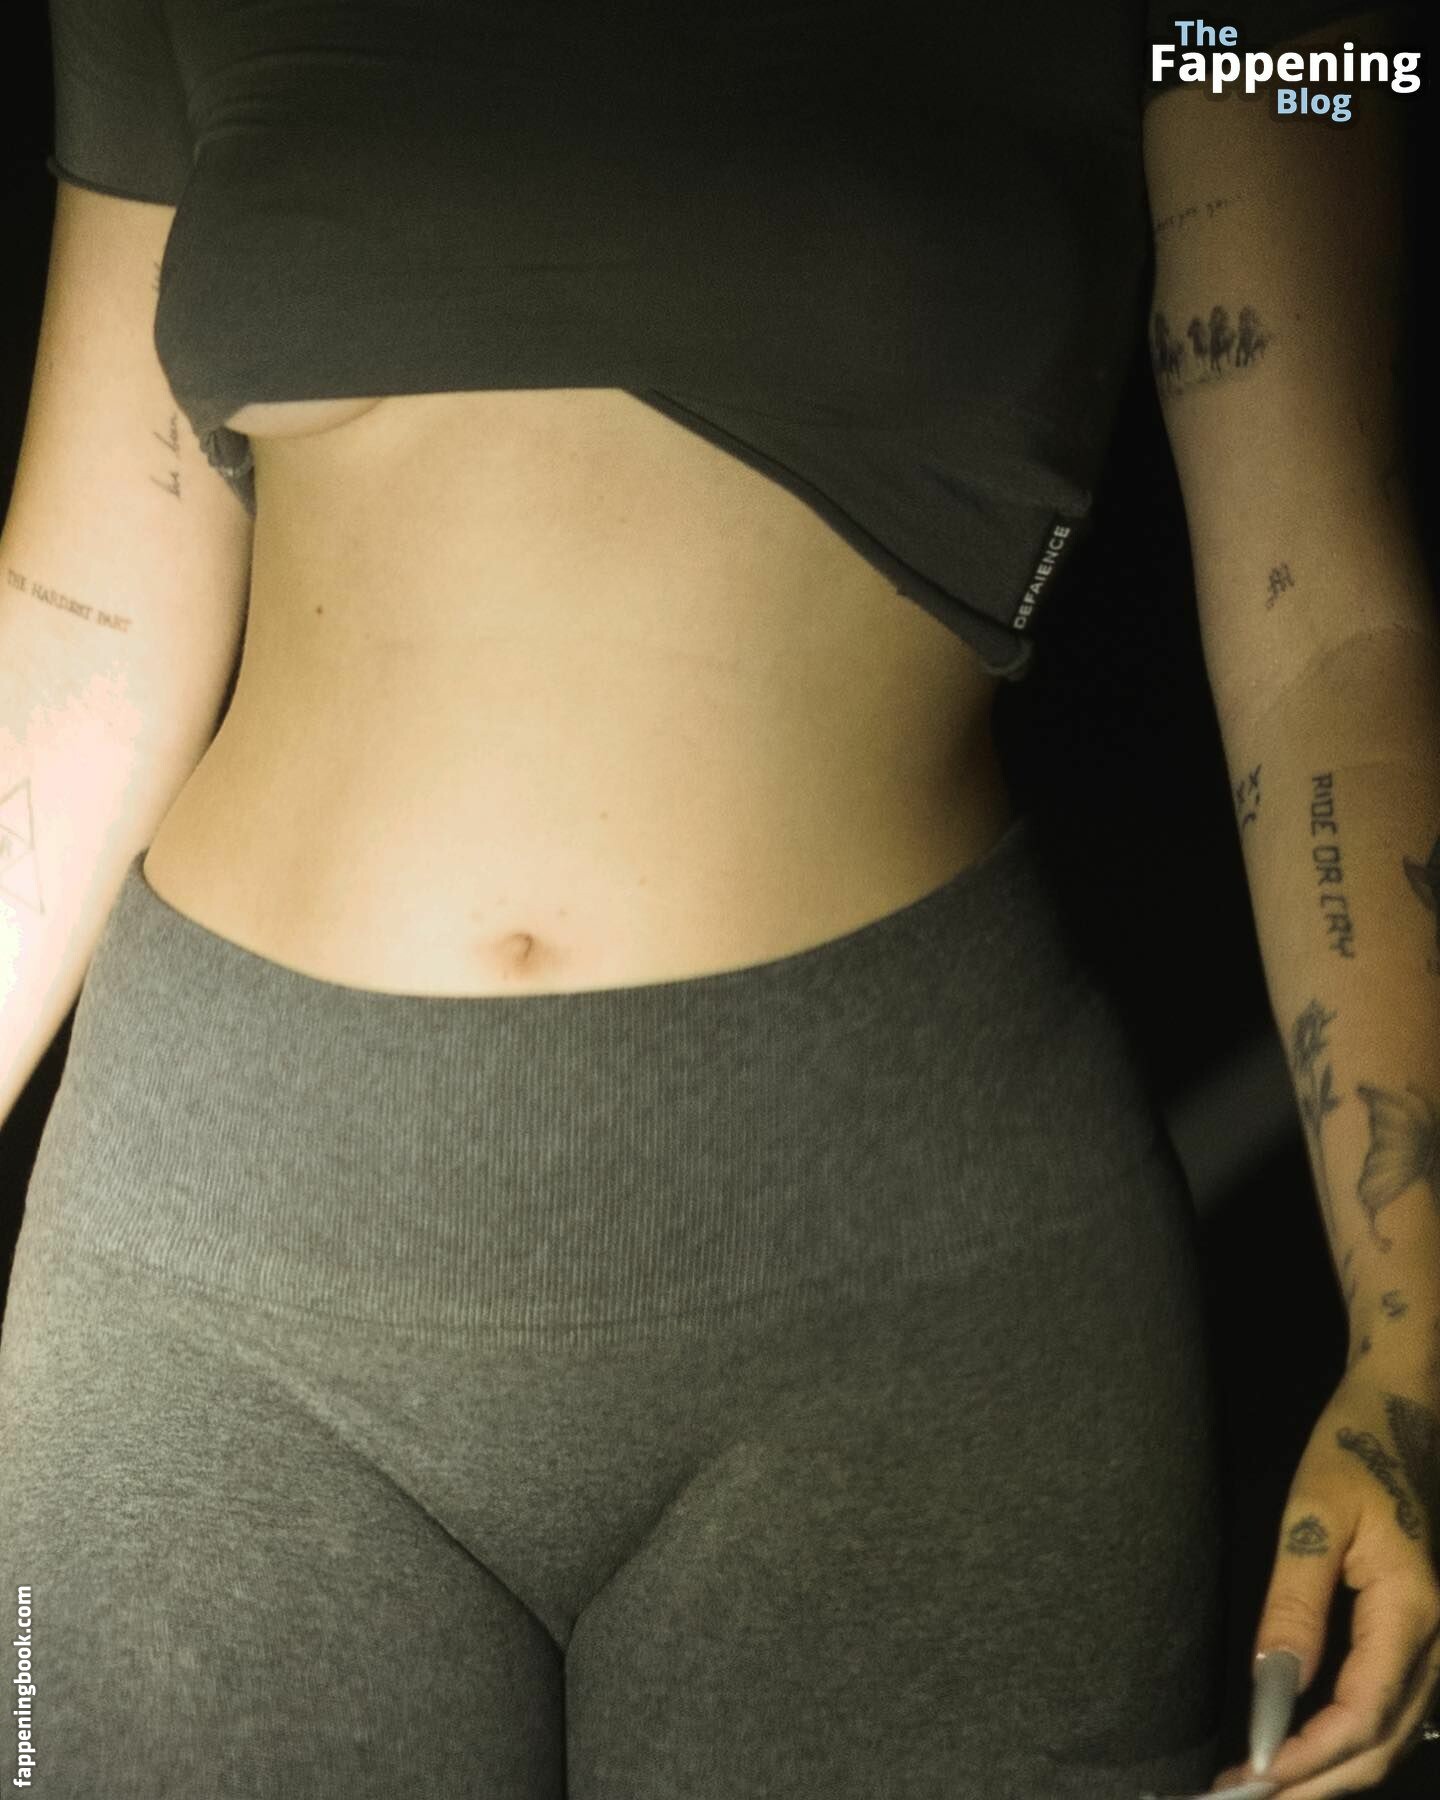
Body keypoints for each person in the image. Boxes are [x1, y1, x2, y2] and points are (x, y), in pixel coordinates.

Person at [1, 2, 1437, 1797]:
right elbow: (86, 609)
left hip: (913, 1297)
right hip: (212, 1285)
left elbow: (1329, 625)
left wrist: (1418, 1331)